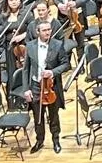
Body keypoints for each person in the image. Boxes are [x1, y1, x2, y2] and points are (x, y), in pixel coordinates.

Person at [21, 19, 71, 153]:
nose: (47, 32)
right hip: (36, 86)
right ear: (37, 32)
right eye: (44, 30)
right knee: (38, 116)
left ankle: (56, 140)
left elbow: (65, 64)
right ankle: (39, 140)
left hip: (51, 86)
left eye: (49, 29)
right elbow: (26, 69)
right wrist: (26, 89)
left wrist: (52, 72)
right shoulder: (30, 46)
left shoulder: (57, 45)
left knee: (53, 115)